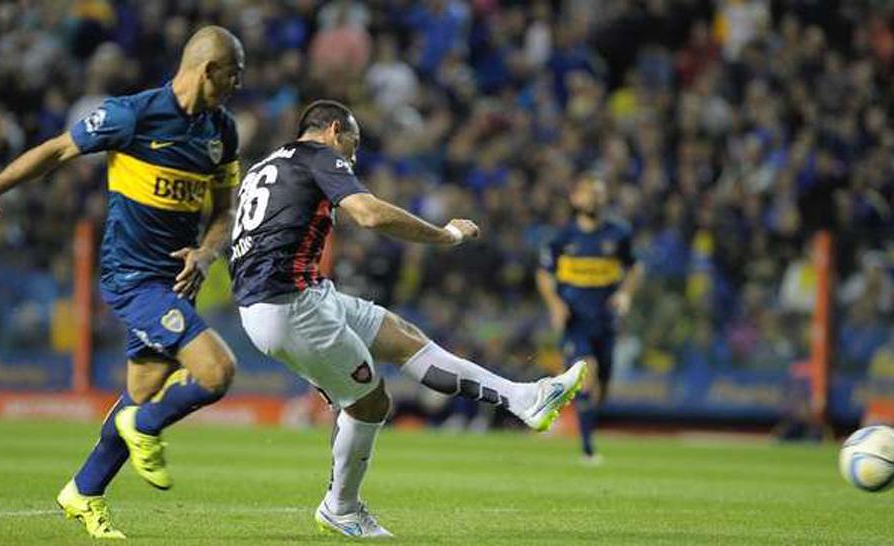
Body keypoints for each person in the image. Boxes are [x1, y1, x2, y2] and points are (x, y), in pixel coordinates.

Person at [230, 100, 586, 538]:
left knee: (403, 337)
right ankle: (341, 507)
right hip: (288, 304)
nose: (353, 157)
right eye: (353, 144)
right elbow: (370, 214)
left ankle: (524, 398)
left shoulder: (265, 166)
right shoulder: (319, 156)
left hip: (294, 295)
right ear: (334, 130)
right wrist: (445, 234)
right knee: (369, 403)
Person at [0, 26, 245, 539]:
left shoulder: (222, 131)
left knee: (141, 392)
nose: (238, 85)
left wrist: (206, 252)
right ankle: (146, 427)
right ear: (208, 70)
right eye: (234, 74)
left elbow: (225, 210)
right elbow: (54, 152)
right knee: (217, 371)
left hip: (177, 284)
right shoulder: (132, 114)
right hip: (132, 278)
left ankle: (84, 491)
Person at [536, 174, 642, 464]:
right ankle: (587, 449)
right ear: (575, 198)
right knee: (588, 373)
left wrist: (625, 294)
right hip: (576, 319)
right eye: (587, 193)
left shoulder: (618, 233)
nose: (592, 198)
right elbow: (544, 274)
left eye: (597, 193)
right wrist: (555, 304)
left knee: (602, 384)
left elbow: (634, 268)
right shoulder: (562, 237)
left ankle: (583, 426)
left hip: (606, 319)